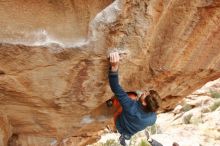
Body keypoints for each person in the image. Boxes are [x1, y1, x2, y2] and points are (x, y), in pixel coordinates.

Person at [108, 52, 162, 146]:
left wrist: (114, 67)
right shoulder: (153, 119)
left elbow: (115, 87)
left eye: (145, 94)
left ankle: (112, 101)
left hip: (120, 125)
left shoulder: (130, 106)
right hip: (131, 129)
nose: (144, 92)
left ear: (144, 103)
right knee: (132, 99)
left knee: (130, 97)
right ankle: (126, 136)